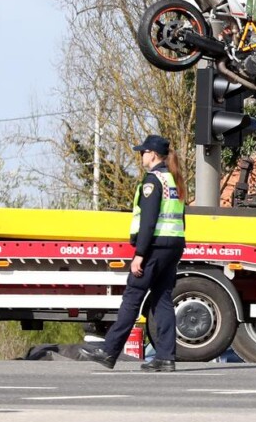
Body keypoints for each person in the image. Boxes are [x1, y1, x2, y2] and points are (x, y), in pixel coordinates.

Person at [79, 134, 185, 372]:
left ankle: (109, 351)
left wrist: (140, 254)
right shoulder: (173, 180)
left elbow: (148, 222)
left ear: (153, 155)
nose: (141, 156)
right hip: (174, 245)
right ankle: (166, 357)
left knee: (132, 298)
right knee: (163, 300)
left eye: (143, 152)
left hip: (154, 247)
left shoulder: (152, 181)